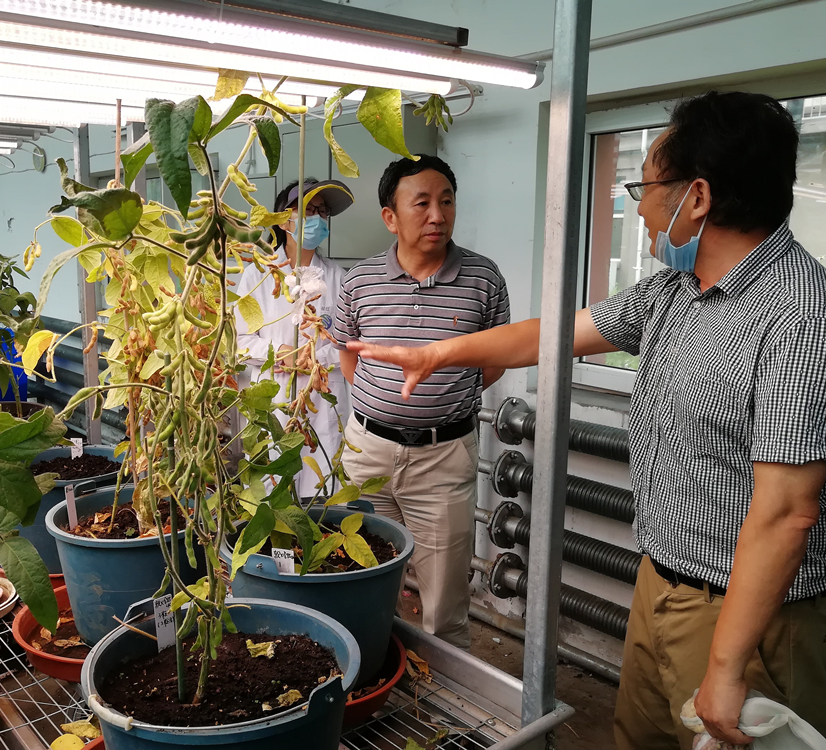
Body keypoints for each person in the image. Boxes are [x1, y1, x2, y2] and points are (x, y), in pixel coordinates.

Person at [348, 92, 826, 748]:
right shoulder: (672, 291)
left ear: (698, 197)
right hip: (660, 578)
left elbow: (787, 513)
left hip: (748, 617)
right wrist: (437, 354)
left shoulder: (798, 317)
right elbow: (551, 334)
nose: (639, 207)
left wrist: (724, 666)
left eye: (646, 187)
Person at [332, 154, 510, 648]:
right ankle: (374, 670)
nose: (438, 215)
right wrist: (384, 407)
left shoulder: (483, 279)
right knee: (363, 578)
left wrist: (439, 397)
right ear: (390, 217)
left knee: (444, 601)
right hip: (368, 453)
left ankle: (441, 692)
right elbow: (349, 359)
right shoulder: (360, 281)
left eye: (447, 201)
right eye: (422, 203)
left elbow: (495, 361)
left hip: (443, 457)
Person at [234, 177, 353, 499]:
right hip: (273, 398)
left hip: (323, 400)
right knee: (272, 491)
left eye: (322, 212)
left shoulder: (339, 278)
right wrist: (280, 352)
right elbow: (241, 341)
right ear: (283, 219)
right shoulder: (258, 274)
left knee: (323, 491)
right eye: (308, 211)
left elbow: (348, 344)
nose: (317, 219)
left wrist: (316, 358)